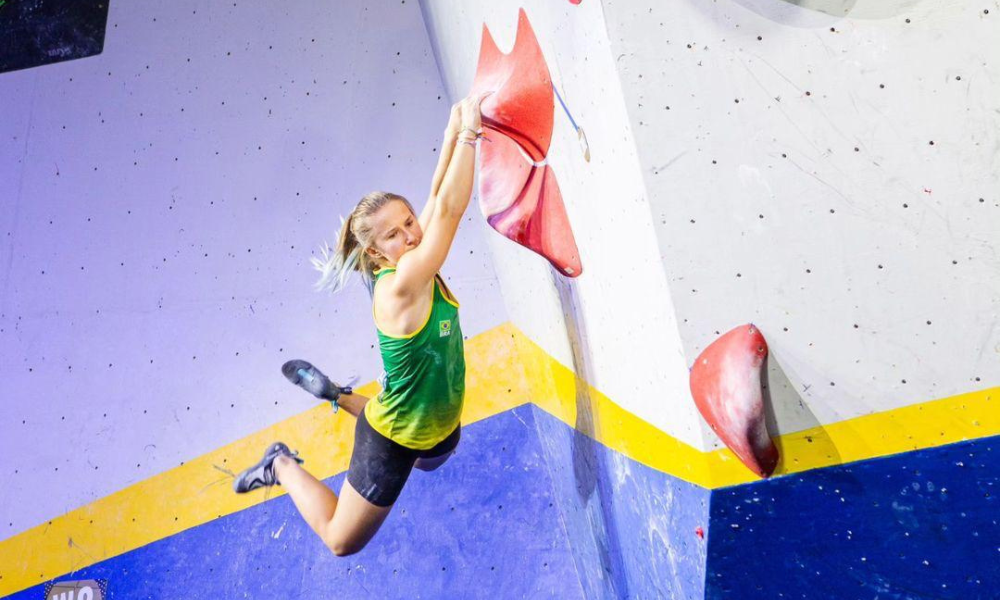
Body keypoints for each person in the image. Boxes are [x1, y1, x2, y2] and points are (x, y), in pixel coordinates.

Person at [231, 90, 493, 557]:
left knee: (433, 460)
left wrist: (452, 131)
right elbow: (451, 210)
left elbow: (435, 197)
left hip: (435, 426)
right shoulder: (402, 284)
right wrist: (472, 133)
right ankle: (280, 464)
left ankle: (337, 394)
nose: (412, 235)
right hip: (391, 439)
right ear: (375, 253)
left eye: (410, 223)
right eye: (394, 235)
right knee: (340, 541)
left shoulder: (413, 251)